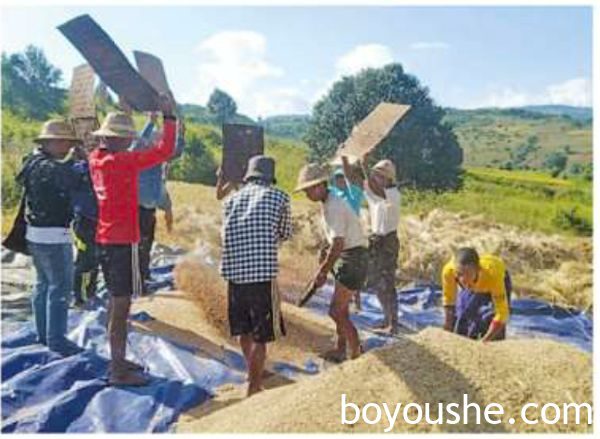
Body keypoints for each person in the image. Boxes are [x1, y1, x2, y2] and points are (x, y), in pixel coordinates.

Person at [89, 95, 176, 386]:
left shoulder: (96, 159)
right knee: (122, 304)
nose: (129, 143)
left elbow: (106, 147)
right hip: (122, 241)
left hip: (103, 237)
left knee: (115, 301)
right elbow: (164, 150)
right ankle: (117, 371)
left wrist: (124, 111)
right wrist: (169, 116)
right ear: (118, 141)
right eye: (126, 138)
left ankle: (117, 359)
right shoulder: (122, 163)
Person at [220, 155, 292, 396]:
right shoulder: (280, 197)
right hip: (262, 275)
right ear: (270, 178)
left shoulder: (230, 200)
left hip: (234, 275)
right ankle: (254, 386)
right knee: (261, 335)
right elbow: (283, 234)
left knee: (244, 330)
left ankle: (253, 370)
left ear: (248, 176)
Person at [16, 119, 84, 356]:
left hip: (36, 235)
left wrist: (73, 160)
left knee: (43, 284)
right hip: (53, 237)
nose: (67, 146)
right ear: (50, 142)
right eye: (63, 141)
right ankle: (57, 341)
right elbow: (69, 179)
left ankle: (43, 334)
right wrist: (79, 162)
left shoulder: (32, 162)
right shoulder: (49, 167)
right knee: (60, 288)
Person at [295, 163, 368, 362]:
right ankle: (340, 348)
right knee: (341, 309)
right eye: (306, 191)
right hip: (349, 256)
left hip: (352, 258)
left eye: (310, 189)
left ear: (320, 185)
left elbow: (338, 243)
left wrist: (323, 271)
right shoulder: (329, 203)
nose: (308, 194)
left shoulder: (334, 206)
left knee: (336, 311)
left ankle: (356, 353)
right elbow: (334, 241)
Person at [131, 114, 185, 294]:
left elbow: (175, 151)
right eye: (156, 139)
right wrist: (151, 122)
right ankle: (136, 280)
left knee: (145, 245)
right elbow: (138, 143)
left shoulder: (158, 158)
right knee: (137, 246)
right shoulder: (138, 155)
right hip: (134, 208)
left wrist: (181, 134)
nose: (158, 142)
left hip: (149, 208)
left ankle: (143, 276)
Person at [359, 157, 401, 335]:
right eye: (375, 176)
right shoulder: (376, 195)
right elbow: (361, 181)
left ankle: (393, 323)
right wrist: (353, 161)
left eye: (379, 176)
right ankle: (386, 318)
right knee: (376, 282)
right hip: (376, 240)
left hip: (388, 242)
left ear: (388, 179)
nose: (376, 179)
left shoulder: (392, 193)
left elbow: (371, 185)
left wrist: (364, 163)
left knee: (387, 282)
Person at [442, 247, 512, 342]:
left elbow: (502, 314)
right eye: (459, 274)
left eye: (468, 274)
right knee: (462, 317)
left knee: (491, 320)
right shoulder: (449, 271)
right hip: (474, 285)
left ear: (478, 269)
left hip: (493, 280)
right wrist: (446, 336)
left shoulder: (493, 275)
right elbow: (449, 303)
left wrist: (484, 341)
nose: (463, 279)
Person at [71, 144, 100, 308]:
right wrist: (85, 159)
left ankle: (91, 290)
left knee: (97, 256)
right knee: (84, 258)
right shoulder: (77, 170)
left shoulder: (93, 168)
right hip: (83, 220)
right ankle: (78, 297)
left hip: (98, 219)